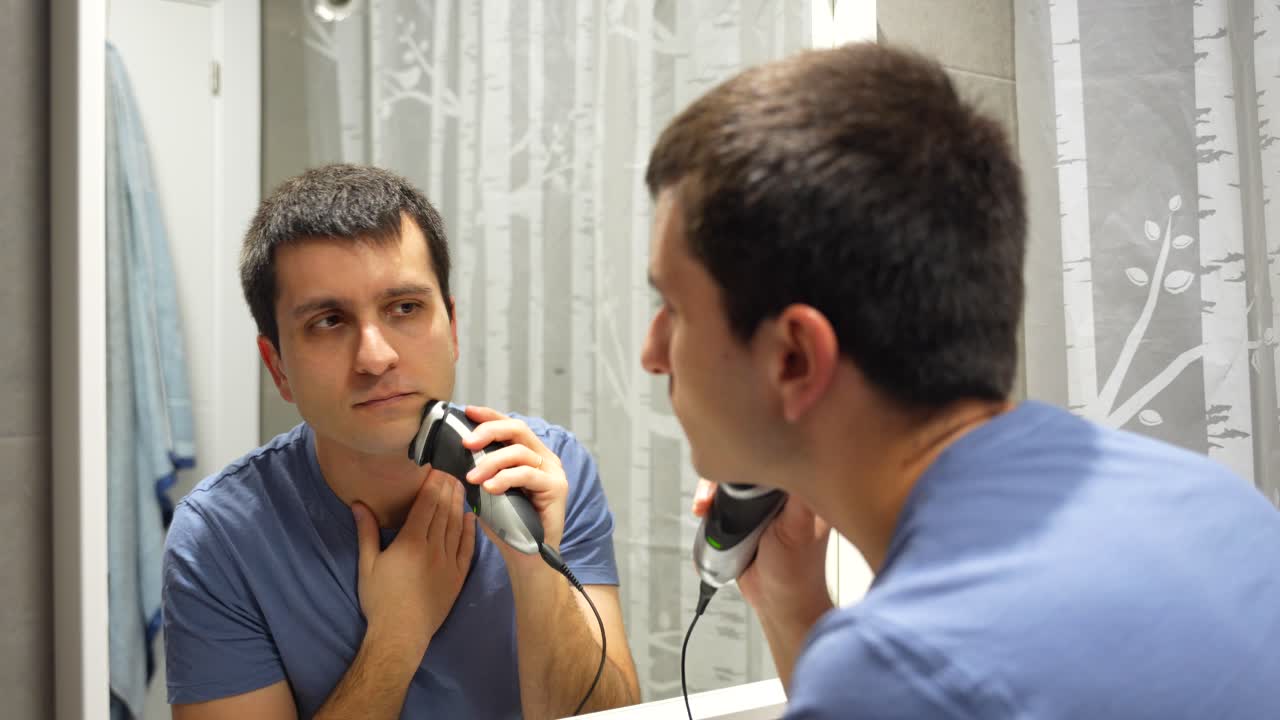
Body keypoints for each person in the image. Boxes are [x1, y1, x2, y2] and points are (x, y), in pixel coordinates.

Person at [640, 42, 1280, 718]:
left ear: (795, 358)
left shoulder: (905, 668)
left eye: (673, 309)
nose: (654, 354)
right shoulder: (1214, 502)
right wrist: (793, 604)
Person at [161, 164, 640, 719]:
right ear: (278, 369)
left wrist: (535, 564)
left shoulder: (544, 470)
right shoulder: (220, 537)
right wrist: (396, 637)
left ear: (453, 327)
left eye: (405, 309)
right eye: (328, 321)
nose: (376, 357)